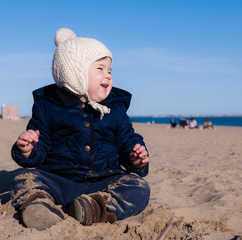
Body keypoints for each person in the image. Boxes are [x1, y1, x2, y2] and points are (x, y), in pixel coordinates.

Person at [10, 28, 150, 231]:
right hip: (59, 179)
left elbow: (127, 138)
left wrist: (134, 158)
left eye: (110, 71)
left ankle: (92, 207)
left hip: (103, 180)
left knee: (139, 188)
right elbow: (41, 146)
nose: (108, 76)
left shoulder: (115, 108)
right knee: (22, 179)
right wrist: (28, 149)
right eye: (100, 69)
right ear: (75, 72)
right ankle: (40, 206)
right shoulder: (48, 106)